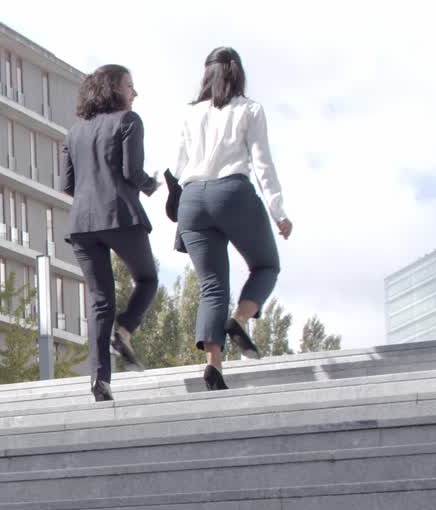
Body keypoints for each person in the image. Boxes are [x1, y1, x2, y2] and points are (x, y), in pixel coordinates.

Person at [172, 46, 293, 391]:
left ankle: (214, 366)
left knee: (212, 287)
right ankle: (239, 320)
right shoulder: (250, 110)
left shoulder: (189, 114)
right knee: (266, 265)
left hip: (192, 201)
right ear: (238, 73)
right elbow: (262, 164)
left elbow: (177, 166)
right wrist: (279, 213)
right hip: (232, 193)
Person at [61, 64, 159, 402]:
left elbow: (68, 185)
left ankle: (99, 379)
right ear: (114, 89)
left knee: (100, 301)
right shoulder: (129, 121)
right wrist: (151, 184)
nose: (135, 92)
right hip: (119, 215)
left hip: (82, 225)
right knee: (147, 279)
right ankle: (125, 330)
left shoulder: (73, 132)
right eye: (130, 86)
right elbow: (132, 172)